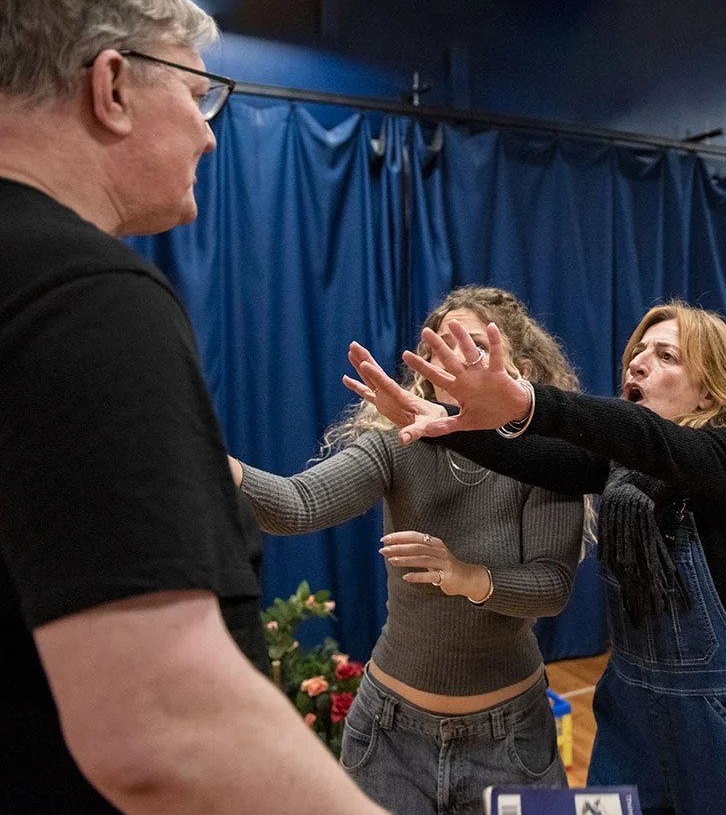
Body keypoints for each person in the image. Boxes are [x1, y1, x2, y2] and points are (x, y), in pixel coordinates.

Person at [0, 0, 387, 813]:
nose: (210, 133)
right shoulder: (84, 296)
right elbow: (165, 729)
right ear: (111, 86)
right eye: (198, 92)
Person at [344, 301, 726, 815]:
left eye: (666, 355)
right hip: (630, 715)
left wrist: (527, 401)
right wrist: (449, 424)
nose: (638, 363)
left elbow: (645, 437)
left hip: (722, 721)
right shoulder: (618, 466)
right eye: (638, 352)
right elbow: (533, 457)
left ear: (710, 391)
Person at [229, 285, 586, 814]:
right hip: (389, 737)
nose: (452, 357)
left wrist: (465, 576)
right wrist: (197, 448)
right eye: (440, 345)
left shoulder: (550, 461)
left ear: (523, 371)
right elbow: (295, 505)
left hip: (510, 738)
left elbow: (552, 587)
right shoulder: (397, 442)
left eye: (473, 345)